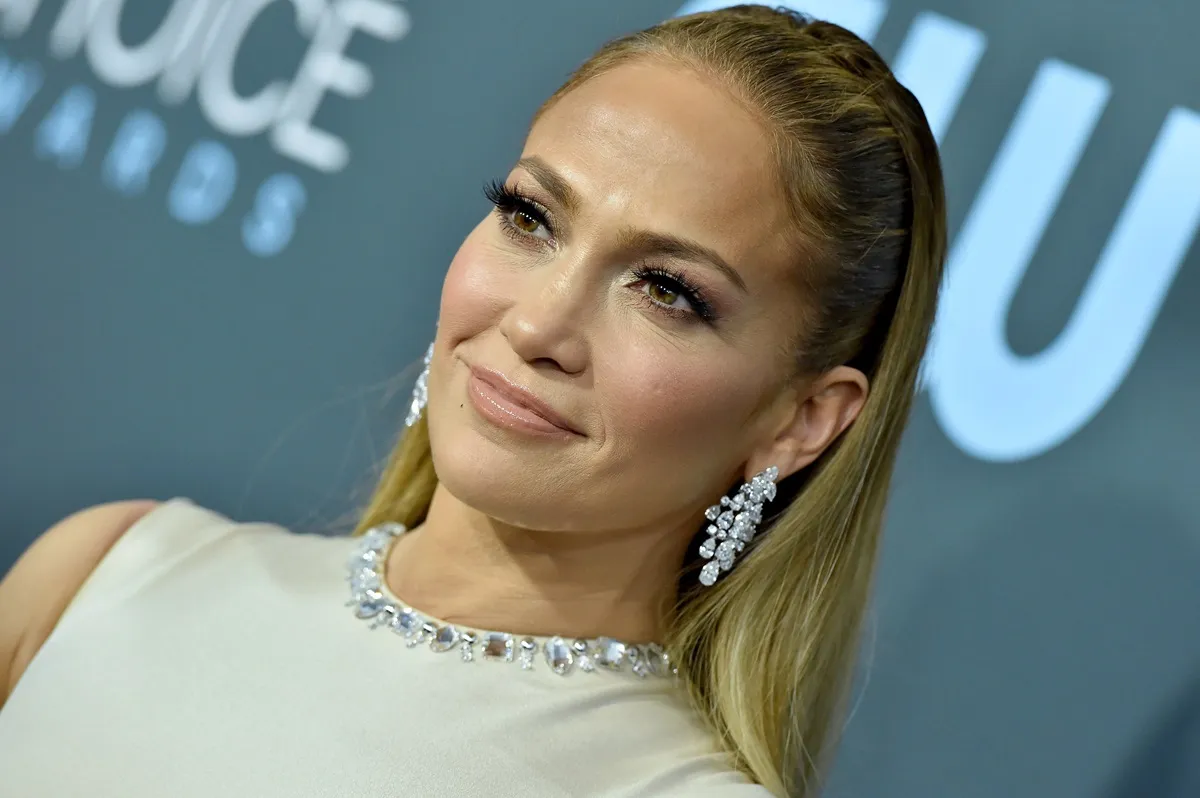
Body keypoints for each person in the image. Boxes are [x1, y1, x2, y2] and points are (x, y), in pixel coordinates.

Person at [0, 5, 946, 796]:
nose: (539, 324)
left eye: (666, 289)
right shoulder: (106, 573)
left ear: (801, 421)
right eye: (530, 218)